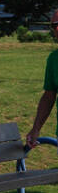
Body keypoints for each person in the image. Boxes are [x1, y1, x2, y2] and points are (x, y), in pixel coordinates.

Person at [25, 8, 58, 149]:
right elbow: (49, 96)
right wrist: (36, 128)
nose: (56, 29)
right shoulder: (53, 59)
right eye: (54, 25)